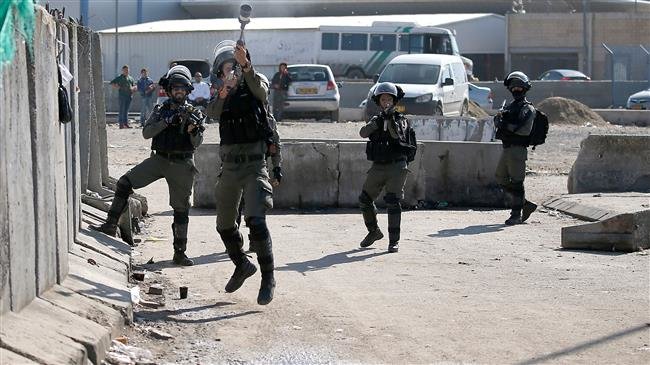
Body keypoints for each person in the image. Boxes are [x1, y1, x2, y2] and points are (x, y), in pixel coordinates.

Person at [92, 65, 206, 265]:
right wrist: (166, 121)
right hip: (159, 159)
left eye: (182, 88)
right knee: (124, 183)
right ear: (169, 90)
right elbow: (146, 133)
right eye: (175, 88)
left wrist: (192, 130)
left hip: (182, 163)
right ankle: (111, 224)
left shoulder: (193, 113)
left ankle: (180, 252)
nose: (178, 91)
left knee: (181, 210)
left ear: (187, 91)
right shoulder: (161, 111)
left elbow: (197, 144)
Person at [207, 40, 278, 305]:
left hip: (254, 165)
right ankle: (242, 265)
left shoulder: (254, 81)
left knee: (256, 221)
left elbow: (262, 92)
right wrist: (224, 92)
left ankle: (268, 277)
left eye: (233, 66)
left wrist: (246, 66)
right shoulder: (222, 94)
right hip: (230, 167)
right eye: (226, 68)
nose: (231, 72)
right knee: (224, 224)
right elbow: (212, 113)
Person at [358, 82, 417, 253]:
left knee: (392, 202)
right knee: (364, 199)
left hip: (397, 167)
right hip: (378, 166)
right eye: (383, 99)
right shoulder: (376, 119)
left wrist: (390, 118)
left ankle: (393, 241)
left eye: (389, 99)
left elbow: (396, 135)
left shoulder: (401, 120)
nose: (386, 102)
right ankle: (373, 231)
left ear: (394, 101)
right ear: (378, 101)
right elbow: (363, 133)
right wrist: (377, 121)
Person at [494, 71, 538, 225]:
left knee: (517, 181)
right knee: (500, 178)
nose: (516, 90)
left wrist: (505, 124)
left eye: (519, 88)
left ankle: (516, 213)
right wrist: (498, 120)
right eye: (513, 88)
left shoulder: (527, 109)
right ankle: (524, 204)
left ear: (525, 89)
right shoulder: (511, 107)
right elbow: (502, 124)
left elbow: (523, 130)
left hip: (517, 149)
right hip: (507, 148)